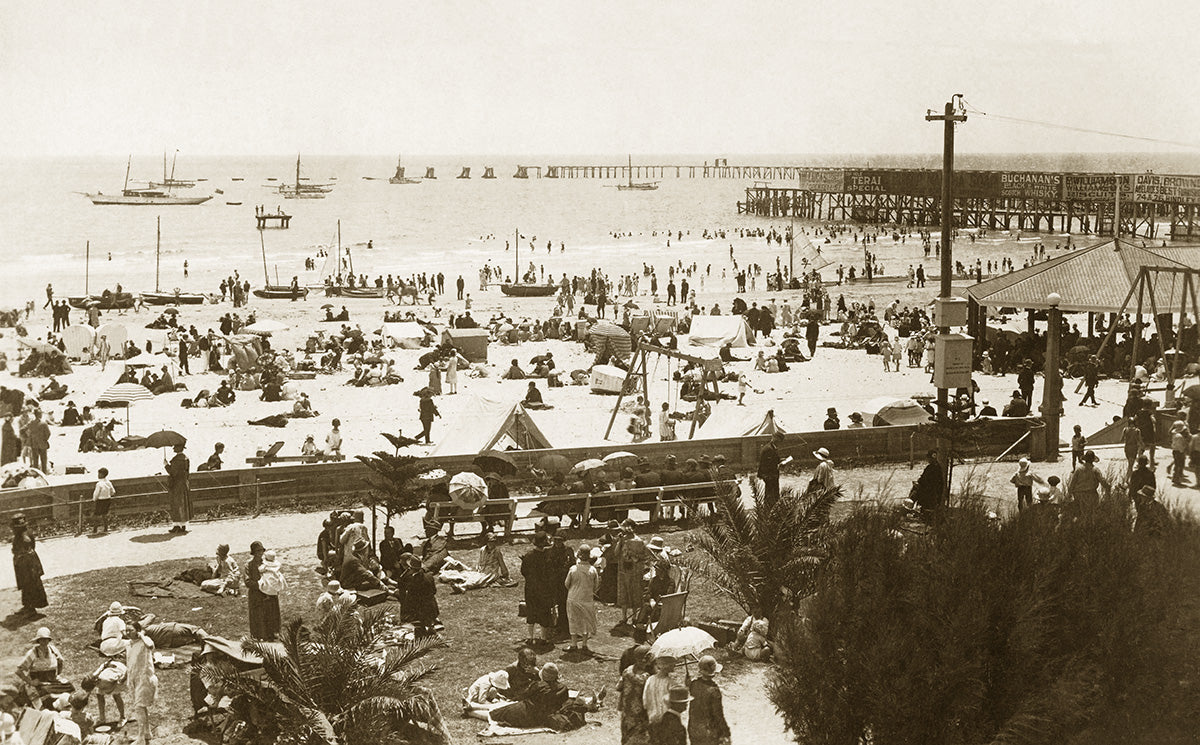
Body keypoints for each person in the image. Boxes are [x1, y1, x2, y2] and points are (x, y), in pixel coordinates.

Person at [490, 663, 569, 729]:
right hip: (544, 717)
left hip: (528, 715)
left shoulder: (539, 686)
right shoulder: (564, 689)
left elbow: (523, 695)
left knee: (495, 714)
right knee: (501, 711)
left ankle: (477, 710)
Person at [126, 621, 158, 745]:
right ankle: (147, 732)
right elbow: (130, 663)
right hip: (133, 679)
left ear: (138, 631)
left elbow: (151, 645)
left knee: (139, 707)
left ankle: (140, 738)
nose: (128, 633)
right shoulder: (128, 644)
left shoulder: (145, 642)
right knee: (140, 707)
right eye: (126, 630)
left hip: (145, 678)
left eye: (131, 630)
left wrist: (142, 635)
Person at [688, 655, 730, 745]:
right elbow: (718, 714)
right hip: (709, 731)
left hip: (693, 728)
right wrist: (726, 732)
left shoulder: (693, 684)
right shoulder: (714, 690)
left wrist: (688, 682)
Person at [565, 544, 599, 654]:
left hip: (573, 597)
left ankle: (573, 644)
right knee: (586, 621)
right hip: (587, 598)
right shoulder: (593, 570)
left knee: (573, 620)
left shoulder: (573, 569)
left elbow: (566, 584)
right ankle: (584, 644)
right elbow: (596, 586)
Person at [11, 513, 47, 616]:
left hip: (28, 564)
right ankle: (27, 606)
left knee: (30, 584)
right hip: (23, 563)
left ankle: (31, 609)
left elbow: (30, 547)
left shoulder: (25, 535)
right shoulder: (19, 535)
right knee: (25, 584)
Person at [615, 520, 648, 628]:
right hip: (623, 571)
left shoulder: (638, 541)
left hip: (634, 571)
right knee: (623, 593)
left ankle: (634, 617)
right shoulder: (622, 539)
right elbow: (616, 553)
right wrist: (620, 541)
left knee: (635, 593)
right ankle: (624, 616)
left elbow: (643, 557)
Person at [618, 644, 654, 745]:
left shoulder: (627, 670)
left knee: (627, 736)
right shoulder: (646, 677)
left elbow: (618, 687)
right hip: (640, 712)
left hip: (627, 711)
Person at [246, 541, 281, 640]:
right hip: (256, 593)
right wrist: (261, 586)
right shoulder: (249, 565)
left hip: (269, 592)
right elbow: (247, 581)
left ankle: (272, 633)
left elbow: (275, 575)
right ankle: (259, 635)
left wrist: (272, 586)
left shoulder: (267, 563)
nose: (260, 553)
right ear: (253, 552)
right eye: (257, 551)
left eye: (261, 551)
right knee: (258, 615)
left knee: (271, 613)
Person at [81, 658, 127, 730]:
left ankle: (123, 717)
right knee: (99, 694)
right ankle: (102, 719)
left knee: (116, 695)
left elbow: (121, 676)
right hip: (110, 668)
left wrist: (121, 681)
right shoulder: (94, 677)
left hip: (120, 670)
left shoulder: (107, 678)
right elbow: (104, 665)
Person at [909, 449, 945, 518]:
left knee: (915, 491)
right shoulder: (937, 467)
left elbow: (925, 481)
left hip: (929, 492)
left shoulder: (931, 468)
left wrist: (918, 484)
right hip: (933, 492)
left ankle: (908, 507)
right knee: (916, 488)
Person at [642, 655, 675, 728]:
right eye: (672, 665)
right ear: (667, 666)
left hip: (652, 714)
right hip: (666, 716)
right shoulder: (669, 682)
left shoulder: (650, 679)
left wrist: (648, 708)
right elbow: (673, 701)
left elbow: (645, 698)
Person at [165, 443, 191, 534]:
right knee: (183, 504)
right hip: (184, 484)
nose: (173, 449)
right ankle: (183, 525)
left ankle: (177, 526)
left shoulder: (176, 460)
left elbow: (172, 472)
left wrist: (166, 465)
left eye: (175, 447)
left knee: (176, 504)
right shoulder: (186, 459)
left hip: (176, 485)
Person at [757, 432, 784, 501]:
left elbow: (773, 460)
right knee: (771, 494)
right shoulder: (769, 449)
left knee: (772, 493)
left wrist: (780, 460)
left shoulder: (771, 447)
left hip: (770, 475)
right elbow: (767, 464)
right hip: (770, 475)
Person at [92, 467, 115, 534]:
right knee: (105, 515)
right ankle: (105, 528)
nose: (98, 475)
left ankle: (95, 529)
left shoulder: (99, 484)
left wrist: (94, 499)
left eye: (99, 474)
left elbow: (96, 493)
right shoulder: (108, 482)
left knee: (96, 515)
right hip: (107, 500)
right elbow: (113, 491)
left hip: (100, 501)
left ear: (102, 474)